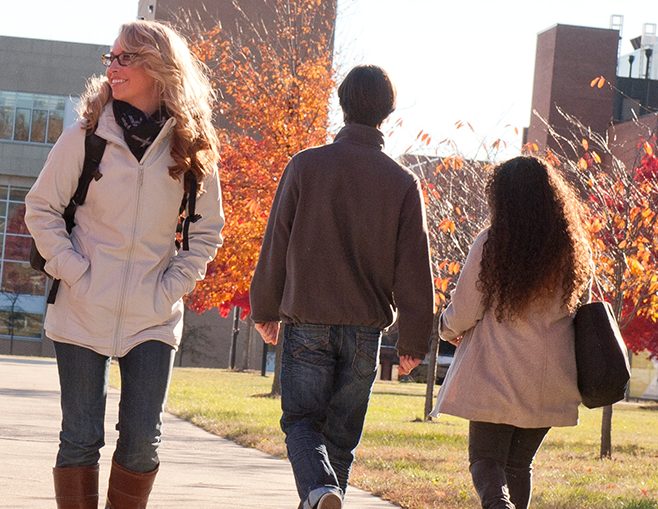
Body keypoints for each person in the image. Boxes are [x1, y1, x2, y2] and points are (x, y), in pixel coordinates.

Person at [25, 20, 225, 509]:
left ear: (157, 67)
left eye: (124, 59)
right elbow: (40, 208)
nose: (112, 69)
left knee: (141, 442)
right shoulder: (87, 137)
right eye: (110, 59)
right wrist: (75, 271)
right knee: (80, 437)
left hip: (152, 317)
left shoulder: (191, 146)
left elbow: (206, 233)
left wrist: (169, 287)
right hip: (80, 309)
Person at [248, 65, 435, 509]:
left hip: (306, 321)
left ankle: (320, 491)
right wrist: (413, 340)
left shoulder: (305, 165)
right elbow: (414, 266)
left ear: (342, 102)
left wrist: (264, 309)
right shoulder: (402, 182)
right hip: (364, 332)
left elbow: (277, 239)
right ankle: (325, 492)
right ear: (388, 111)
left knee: (301, 422)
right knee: (340, 442)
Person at [438, 155, 594, 509]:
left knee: (485, 459)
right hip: (551, 377)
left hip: (498, 370)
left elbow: (465, 309)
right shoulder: (574, 249)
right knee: (518, 464)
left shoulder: (493, 243)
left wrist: (446, 327)